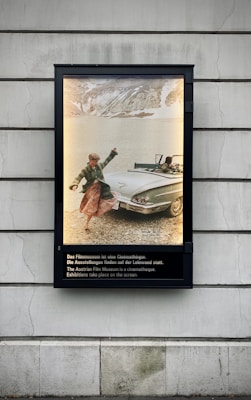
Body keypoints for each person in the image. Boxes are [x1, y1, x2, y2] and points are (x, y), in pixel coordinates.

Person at [69, 148, 118, 230]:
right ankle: (86, 223)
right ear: (90, 160)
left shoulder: (99, 166)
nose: (96, 163)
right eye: (94, 161)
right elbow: (78, 177)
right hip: (91, 190)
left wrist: (112, 153)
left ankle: (91, 217)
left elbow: (107, 161)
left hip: (100, 188)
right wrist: (75, 185)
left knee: (109, 198)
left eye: (97, 161)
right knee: (92, 206)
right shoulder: (86, 169)